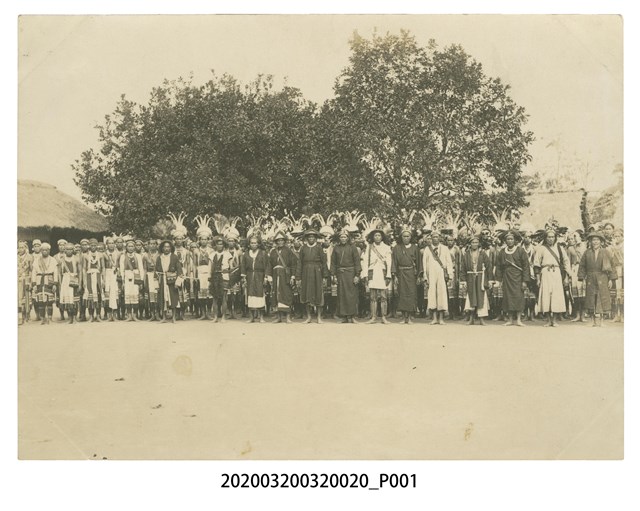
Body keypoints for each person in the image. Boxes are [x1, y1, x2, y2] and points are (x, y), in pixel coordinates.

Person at [577, 231, 618, 327]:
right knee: (590, 298)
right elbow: (582, 266)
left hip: (602, 277)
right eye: (593, 240)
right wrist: (582, 279)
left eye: (597, 240)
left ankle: (602, 320)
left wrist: (611, 279)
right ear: (590, 242)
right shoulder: (587, 252)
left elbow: (612, 266)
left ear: (601, 241)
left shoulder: (606, 252)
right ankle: (592, 320)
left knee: (602, 297)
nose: (595, 242)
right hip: (590, 277)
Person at [534, 229, 570, 327]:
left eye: (552, 237)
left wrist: (566, 276)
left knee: (556, 296)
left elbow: (566, 262)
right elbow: (536, 264)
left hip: (557, 273)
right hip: (545, 273)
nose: (551, 239)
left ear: (555, 238)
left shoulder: (559, 248)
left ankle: (554, 320)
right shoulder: (541, 249)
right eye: (549, 237)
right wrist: (538, 278)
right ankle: (548, 320)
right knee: (546, 295)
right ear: (545, 238)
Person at [495, 231, 530, 327]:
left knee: (519, 297)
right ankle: (510, 319)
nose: (510, 241)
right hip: (507, 278)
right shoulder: (502, 252)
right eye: (508, 239)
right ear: (505, 241)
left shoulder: (520, 251)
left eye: (511, 239)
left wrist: (525, 281)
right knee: (507, 298)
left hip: (518, 277)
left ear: (515, 240)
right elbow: (498, 267)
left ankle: (518, 319)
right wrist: (499, 280)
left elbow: (526, 266)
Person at [296, 229, 329, 324]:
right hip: (306, 272)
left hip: (317, 272)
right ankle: (309, 317)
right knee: (306, 294)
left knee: (318, 294)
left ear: (315, 238)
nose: (311, 238)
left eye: (313, 237)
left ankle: (319, 317)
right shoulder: (303, 248)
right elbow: (300, 263)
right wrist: (298, 277)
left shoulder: (319, 248)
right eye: (309, 237)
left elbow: (324, 262)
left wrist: (325, 276)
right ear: (307, 238)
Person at [391, 227, 422, 324]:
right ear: (401, 237)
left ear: (410, 237)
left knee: (411, 294)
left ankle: (410, 316)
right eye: (404, 236)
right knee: (402, 294)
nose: (406, 238)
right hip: (401, 273)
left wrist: (419, 276)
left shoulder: (415, 248)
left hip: (411, 273)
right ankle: (404, 316)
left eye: (408, 236)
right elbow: (394, 262)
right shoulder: (396, 248)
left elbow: (419, 263)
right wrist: (395, 276)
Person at [460, 235, 493, 325]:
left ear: (478, 244)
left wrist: (489, 279)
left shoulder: (483, 254)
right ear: (470, 244)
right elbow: (463, 268)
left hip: (480, 278)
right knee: (471, 297)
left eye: (476, 242)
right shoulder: (466, 255)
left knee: (481, 297)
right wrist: (463, 280)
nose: (474, 244)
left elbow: (489, 267)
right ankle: (471, 319)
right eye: (473, 242)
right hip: (470, 278)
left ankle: (481, 319)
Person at [330, 229, 362, 324]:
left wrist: (357, 275)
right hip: (340, 274)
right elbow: (333, 263)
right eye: (341, 237)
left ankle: (352, 316)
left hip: (351, 274)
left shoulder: (353, 248)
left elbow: (357, 262)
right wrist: (333, 275)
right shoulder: (336, 248)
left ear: (348, 238)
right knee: (341, 295)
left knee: (351, 295)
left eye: (345, 237)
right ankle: (343, 317)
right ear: (339, 238)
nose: (343, 238)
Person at [422, 231, 454, 325]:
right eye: (433, 237)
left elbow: (449, 262)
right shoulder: (427, 249)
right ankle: (434, 318)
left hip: (441, 273)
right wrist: (425, 276)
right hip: (431, 274)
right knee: (432, 294)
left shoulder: (444, 248)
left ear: (440, 238)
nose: (435, 239)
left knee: (441, 294)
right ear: (431, 238)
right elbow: (424, 263)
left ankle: (441, 318)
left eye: (437, 237)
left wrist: (450, 275)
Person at [362, 227, 392, 324]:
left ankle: (383, 317)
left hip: (382, 272)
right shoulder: (369, 247)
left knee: (383, 296)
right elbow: (365, 261)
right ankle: (373, 317)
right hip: (372, 272)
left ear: (382, 237)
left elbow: (389, 262)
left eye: (379, 235)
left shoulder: (387, 247)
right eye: (375, 235)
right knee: (373, 296)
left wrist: (388, 275)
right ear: (373, 237)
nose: (377, 237)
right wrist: (365, 274)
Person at [268, 231, 297, 324]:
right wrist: (269, 276)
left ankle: (288, 317)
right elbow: (269, 264)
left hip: (285, 275)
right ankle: (279, 317)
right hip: (275, 275)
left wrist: (292, 276)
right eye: (278, 240)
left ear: (284, 241)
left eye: (282, 240)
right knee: (276, 294)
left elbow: (293, 264)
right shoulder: (273, 252)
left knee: (286, 294)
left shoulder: (289, 251)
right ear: (276, 242)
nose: (280, 242)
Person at [240, 235, 270, 323]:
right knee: (250, 296)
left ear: (258, 244)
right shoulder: (246, 254)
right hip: (249, 276)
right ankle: (251, 317)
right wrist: (244, 278)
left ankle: (261, 317)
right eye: (252, 243)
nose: (253, 245)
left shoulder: (263, 253)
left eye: (255, 243)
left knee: (260, 295)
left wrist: (266, 277)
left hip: (260, 276)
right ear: (249, 244)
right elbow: (243, 267)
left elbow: (267, 266)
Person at [193, 215, 214, 320]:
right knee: (201, 294)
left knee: (209, 294)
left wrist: (211, 275)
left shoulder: (211, 250)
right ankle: (203, 313)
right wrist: (195, 276)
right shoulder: (196, 251)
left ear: (208, 240)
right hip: (200, 273)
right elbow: (194, 264)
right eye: (202, 239)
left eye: (206, 239)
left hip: (208, 273)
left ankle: (209, 312)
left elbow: (212, 263)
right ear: (199, 240)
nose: (204, 241)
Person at [156, 240, 183, 323]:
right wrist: (156, 284)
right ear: (162, 248)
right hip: (162, 280)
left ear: (171, 248)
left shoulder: (174, 257)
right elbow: (156, 271)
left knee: (173, 298)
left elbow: (179, 270)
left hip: (172, 281)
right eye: (165, 247)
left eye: (168, 247)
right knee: (163, 298)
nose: (166, 248)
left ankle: (173, 317)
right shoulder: (159, 258)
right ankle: (164, 317)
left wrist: (178, 282)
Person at [31, 242, 58, 324]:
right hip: (39, 281)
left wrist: (55, 284)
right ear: (41, 251)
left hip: (49, 281)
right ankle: (42, 318)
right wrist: (34, 284)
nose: (45, 251)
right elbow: (34, 272)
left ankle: (49, 318)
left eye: (46, 250)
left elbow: (55, 272)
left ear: (49, 251)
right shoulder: (37, 260)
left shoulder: (53, 260)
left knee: (50, 301)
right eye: (43, 250)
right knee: (40, 301)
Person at [119, 240, 145, 321]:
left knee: (135, 295)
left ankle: (135, 315)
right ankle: (129, 315)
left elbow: (141, 269)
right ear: (126, 247)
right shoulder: (123, 256)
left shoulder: (138, 256)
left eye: (132, 246)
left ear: (134, 247)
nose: (131, 248)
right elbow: (121, 269)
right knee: (127, 295)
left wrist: (141, 280)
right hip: (127, 277)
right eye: (129, 246)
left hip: (136, 276)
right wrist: (122, 281)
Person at [210, 236, 232, 323]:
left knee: (224, 297)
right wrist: (210, 277)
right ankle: (215, 316)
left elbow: (231, 267)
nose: (219, 246)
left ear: (224, 245)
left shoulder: (228, 254)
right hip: (215, 276)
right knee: (215, 298)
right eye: (218, 244)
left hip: (224, 276)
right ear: (215, 245)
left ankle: (223, 316)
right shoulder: (212, 254)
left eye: (221, 244)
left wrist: (229, 274)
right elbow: (210, 267)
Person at [59, 242, 81, 324]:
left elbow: (80, 272)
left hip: (74, 279)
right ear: (65, 250)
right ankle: (70, 318)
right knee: (67, 300)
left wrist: (80, 283)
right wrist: (60, 283)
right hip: (65, 281)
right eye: (67, 249)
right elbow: (59, 273)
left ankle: (75, 318)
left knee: (75, 300)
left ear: (73, 250)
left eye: (71, 249)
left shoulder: (77, 258)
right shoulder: (61, 260)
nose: (69, 251)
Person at [83, 238, 104, 322]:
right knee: (90, 297)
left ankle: (98, 315)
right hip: (89, 276)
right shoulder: (85, 255)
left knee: (98, 296)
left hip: (98, 276)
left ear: (97, 246)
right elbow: (84, 268)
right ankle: (91, 316)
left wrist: (103, 279)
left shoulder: (101, 255)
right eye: (91, 245)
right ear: (89, 246)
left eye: (95, 245)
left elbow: (103, 268)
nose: (93, 247)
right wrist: (84, 280)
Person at [102, 237, 120, 321]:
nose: (111, 245)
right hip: (107, 273)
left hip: (115, 274)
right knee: (107, 294)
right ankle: (108, 313)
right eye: (109, 243)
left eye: (113, 243)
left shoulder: (118, 254)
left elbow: (120, 265)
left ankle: (115, 313)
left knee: (115, 293)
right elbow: (102, 267)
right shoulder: (104, 254)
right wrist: (103, 278)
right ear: (107, 245)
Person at [143, 239, 160, 321]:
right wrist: (144, 279)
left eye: (154, 244)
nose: (152, 245)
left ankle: (158, 314)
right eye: (151, 244)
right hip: (149, 275)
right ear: (148, 245)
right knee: (151, 296)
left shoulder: (160, 254)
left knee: (158, 295)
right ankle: (152, 314)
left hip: (157, 276)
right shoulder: (145, 256)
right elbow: (144, 268)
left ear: (156, 245)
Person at [18, 241, 32, 325]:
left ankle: (27, 315)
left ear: (25, 248)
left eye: (22, 247)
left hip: (26, 279)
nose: (20, 249)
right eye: (19, 247)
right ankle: (20, 317)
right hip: (17, 280)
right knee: (18, 298)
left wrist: (29, 281)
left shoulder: (29, 257)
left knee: (27, 298)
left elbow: (31, 270)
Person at [30, 239, 42, 321]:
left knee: (42, 296)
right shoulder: (31, 256)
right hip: (34, 277)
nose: (37, 248)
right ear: (33, 247)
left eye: (38, 246)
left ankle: (42, 314)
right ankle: (37, 314)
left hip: (42, 278)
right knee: (35, 298)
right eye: (35, 246)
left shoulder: (43, 255)